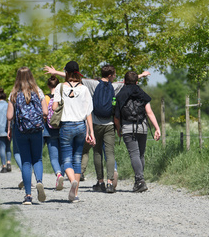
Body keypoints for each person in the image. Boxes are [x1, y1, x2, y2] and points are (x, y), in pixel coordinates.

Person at [45, 64, 150, 192]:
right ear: (111, 76)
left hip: (95, 123)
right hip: (109, 124)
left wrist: (55, 72)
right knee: (110, 153)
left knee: (97, 153)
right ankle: (110, 182)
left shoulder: (92, 84)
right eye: (115, 74)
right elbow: (128, 82)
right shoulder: (115, 86)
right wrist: (141, 75)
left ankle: (100, 182)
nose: (115, 76)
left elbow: (74, 77)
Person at [52, 61, 95, 202]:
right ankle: (75, 194)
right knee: (77, 158)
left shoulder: (60, 87)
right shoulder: (84, 89)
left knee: (65, 160)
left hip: (66, 126)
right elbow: (88, 112)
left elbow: (54, 107)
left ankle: (72, 182)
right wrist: (91, 133)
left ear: (66, 72)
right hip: (81, 126)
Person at [7, 67, 48, 205]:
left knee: (26, 161)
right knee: (37, 159)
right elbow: (45, 112)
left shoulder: (13, 93)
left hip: (20, 130)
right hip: (36, 130)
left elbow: (9, 116)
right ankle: (39, 182)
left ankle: (28, 196)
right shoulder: (38, 91)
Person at [114, 71, 161, 192]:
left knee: (134, 154)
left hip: (128, 128)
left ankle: (140, 181)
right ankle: (138, 181)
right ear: (137, 81)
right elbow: (149, 112)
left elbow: (116, 116)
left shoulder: (120, 95)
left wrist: (119, 129)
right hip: (142, 127)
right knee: (140, 154)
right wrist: (157, 128)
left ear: (124, 81)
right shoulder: (142, 93)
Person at [44, 76, 65, 190]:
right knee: (63, 156)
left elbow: (44, 113)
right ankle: (62, 177)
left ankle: (58, 174)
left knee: (53, 157)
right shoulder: (62, 97)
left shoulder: (46, 98)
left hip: (49, 130)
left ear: (48, 85)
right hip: (62, 128)